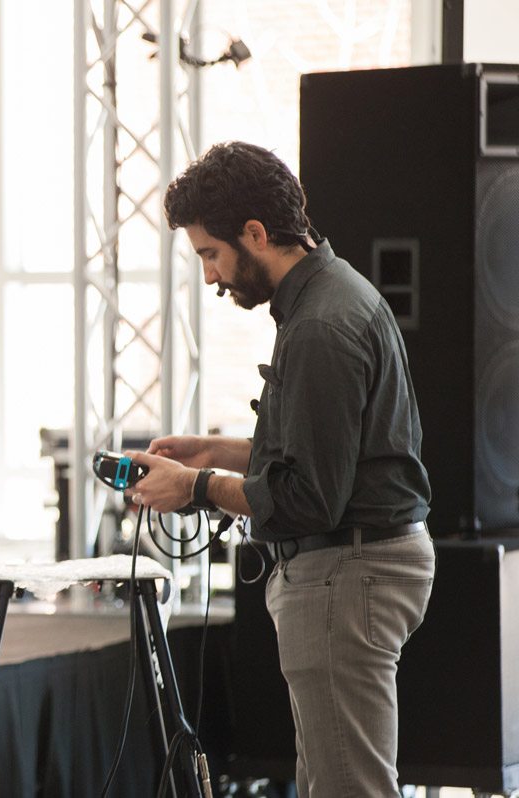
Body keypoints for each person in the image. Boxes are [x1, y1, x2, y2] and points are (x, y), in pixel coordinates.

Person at [122, 141, 435, 798]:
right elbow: (323, 453)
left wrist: (195, 487)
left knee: (347, 788)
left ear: (256, 233)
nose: (210, 277)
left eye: (211, 253)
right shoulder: (329, 298)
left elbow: (309, 498)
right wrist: (213, 454)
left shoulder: (323, 324)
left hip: (345, 578)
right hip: (348, 574)